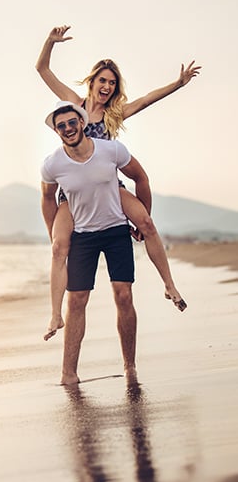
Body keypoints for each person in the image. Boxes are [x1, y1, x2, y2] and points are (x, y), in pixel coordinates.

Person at [37, 25, 200, 339]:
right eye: (103, 81)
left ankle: (169, 285)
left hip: (110, 187)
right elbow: (42, 69)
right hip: (74, 193)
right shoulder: (74, 106)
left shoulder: (115, 114)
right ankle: (55, 316)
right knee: (59, 247)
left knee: (147, 223)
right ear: (93, 81)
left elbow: (147, 99)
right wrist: (50, 43)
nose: (107, 87)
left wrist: (178, 84)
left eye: (112, 83)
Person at [41, 101, 150, 385]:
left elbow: (139, 176)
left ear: (82, 122)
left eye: (71, 122)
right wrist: (53, 231)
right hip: (82, 234)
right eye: (61, 125)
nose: (67, 128)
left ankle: (130, 367)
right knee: (76, 299)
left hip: (114, 227)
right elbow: (47, 197)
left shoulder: (110, 150)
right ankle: (68, 373)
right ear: (56, 130)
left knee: (123, 295)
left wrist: (142, 217)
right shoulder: (52, 163)